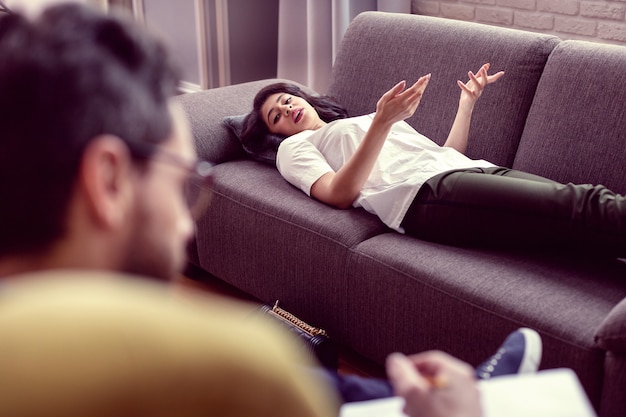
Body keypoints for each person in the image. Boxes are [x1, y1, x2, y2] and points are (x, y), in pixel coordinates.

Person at [0, 3, 540, 416]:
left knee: (327, 380)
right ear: (109, 181)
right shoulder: (226, 364)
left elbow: (446, 155)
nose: (188, 221)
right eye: (184, 183)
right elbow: (339, 191)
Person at [241, 70, 626, 256]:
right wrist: (381, 122)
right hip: (422, 196)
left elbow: (445, 154)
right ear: (276, 133)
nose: (287, 108)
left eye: (287, 99)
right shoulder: (294, 150)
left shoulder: (353, 122)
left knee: (582, 217)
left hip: (461, 170)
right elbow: (339, 194)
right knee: (584, 204)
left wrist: (466, 107)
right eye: (275, 115)